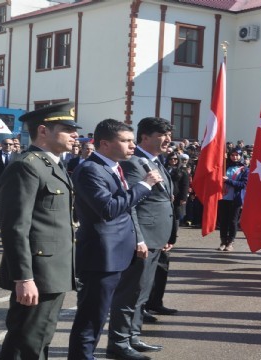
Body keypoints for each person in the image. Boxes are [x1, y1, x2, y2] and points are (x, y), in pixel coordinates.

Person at [67, 119, 161, 360]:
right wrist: (144, 185)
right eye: (126, 140)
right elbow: (108, 208)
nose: (132, 145)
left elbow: (125, 209)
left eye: (132, 140)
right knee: (92, 316)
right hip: (101, 254)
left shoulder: (114, 166)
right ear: (105, 144)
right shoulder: (90, 169)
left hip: (118, 250)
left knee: (101, 312)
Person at [0, 102, 79, 360]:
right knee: (26, 341)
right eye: (67, 129)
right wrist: (23, 278)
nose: (75, 135)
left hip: (53, 271)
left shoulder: (52, 164)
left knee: (38, 338)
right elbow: (15, 227)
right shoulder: (27, 165)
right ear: (43, 131)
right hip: (37, 273)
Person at [106, 117, 174, 360]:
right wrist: (139, 238)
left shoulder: (154, 161)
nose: (168, 139)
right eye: (162, 134)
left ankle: (132, 337)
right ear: (145, 136)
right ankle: (119, 342)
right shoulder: (134, 164)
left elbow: (164, 201)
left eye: (169, 134)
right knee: (129, 294)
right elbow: (131, 205)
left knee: (142, 293)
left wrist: (169, 235)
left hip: (157, 238)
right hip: (142, 238)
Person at [143, 152, 188, 318]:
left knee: (162, 267)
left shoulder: (164, 166)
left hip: (167, 221)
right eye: (172, 158)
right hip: (151, 228)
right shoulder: (143, 163)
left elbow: (176, 193)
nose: (174, 161)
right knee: (146, 274)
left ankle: (156, 302)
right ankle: (143, 307)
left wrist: (171, 235)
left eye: (176, 159)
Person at [217, 149, 248, 251]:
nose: (234, 157)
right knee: (223, 221)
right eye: (232, 155)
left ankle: (230, 242)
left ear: (240, 156)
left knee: (232, 221)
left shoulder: (244, 169)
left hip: (235, 199)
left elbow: (243, 184)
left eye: (237, 155)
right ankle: (223, 241)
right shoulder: (225, 166)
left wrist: (228, 181)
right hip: (223, 198)